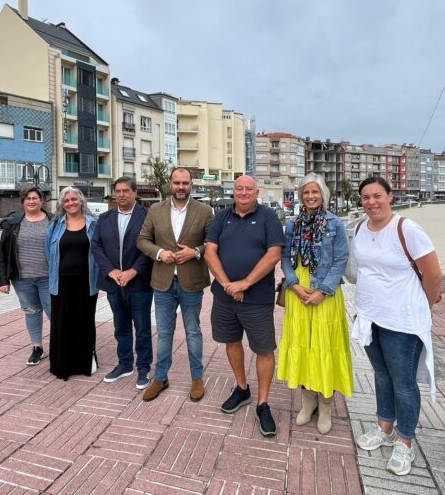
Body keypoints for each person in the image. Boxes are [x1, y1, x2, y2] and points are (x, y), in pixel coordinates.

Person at [351, 176, 442, 476]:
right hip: (369, 315)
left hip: (401, 321)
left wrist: (422, 307)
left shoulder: (407, 229)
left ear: (390, 197)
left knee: (404, 383)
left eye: (377, 196)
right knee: (381, 375)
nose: (371, 202)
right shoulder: (361, 227)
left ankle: (405, 442)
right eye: (365, 197)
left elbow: (433, 274)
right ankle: (384, 426)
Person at [204, 175, 284, 437]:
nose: (244, 192)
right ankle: (241, 389)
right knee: (231, 341)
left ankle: (263, 403)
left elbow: (274, 254)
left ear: (257, 192)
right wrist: (229, 285)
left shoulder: (268, 217)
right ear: (234, 191)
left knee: (264, 349)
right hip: (225, 297)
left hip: (257, 298)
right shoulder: (221, 217)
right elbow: (210, 251)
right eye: (239, 188)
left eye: (249, 188)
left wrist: (245, 283)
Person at [278, 173, 352, 434]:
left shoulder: (335, 224)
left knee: (324, 346)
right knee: (303, 344)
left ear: (323, 195)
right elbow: (285, 257)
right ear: (301, 196)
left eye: (315, 192)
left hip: (325, 292)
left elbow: (340, 259)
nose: (310, 196)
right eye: (306, 192)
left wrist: (322, 290)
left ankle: (326, 405)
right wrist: (294, 285)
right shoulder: (292, 224)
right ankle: (307, 403)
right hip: (298, 290)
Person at [136, 167, 214, 402]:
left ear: (192, 185)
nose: (181, 187)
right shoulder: (155, 210)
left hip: (191, 281)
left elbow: (213, 243)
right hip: (163, 282)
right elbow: (142, 240)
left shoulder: (205, 211)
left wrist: (196, 252)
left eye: (185, 183)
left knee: (193, 332)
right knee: (164, 333)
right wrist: (160, 253)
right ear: (170, 184)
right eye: (177, 182)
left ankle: (197, 378)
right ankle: (160, 378)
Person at [90, 177, 153, 390]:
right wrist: (112, 271)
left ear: (135, 193)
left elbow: (151, 246)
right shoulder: (105, 218)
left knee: (142, 327)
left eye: (126, 190)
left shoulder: (147, 216)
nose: (121, 194)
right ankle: (125, 364)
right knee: (121, 327)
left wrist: (133, 271)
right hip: (114, 282)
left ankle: (143, 367)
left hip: (139, 283)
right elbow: (96, 246)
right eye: (118, 191)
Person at [46, 186, 100, 381]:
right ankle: (63, 364)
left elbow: (99, 250)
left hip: (87, 282)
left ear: (81, 201)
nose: (70, 203)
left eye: (73, 199)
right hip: (60, 283)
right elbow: (48, 253)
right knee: (61, 323)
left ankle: (86, 360)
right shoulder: (54, 226)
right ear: (62, 204)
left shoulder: (93, 224)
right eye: (66, 200)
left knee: (85, 322)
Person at [0, 187, 53, 365]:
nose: (31, 201)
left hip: (48, 277)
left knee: (54, 312)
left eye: (35, 198)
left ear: (41, 200)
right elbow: (3, 252)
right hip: (22, 278)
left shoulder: (54, 220)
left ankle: (61, 345)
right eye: (28, 198)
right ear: (23, 202)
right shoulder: (13, 223)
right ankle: (37, 347)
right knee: (31, 312)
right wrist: (2, 280)